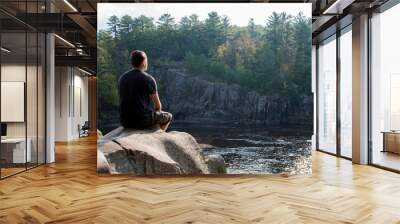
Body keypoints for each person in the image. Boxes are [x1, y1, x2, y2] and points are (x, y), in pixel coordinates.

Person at [118, 50, 172, 131]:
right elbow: (158, 106)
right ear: (143, 62)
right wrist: (156, 114)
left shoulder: (122, 78)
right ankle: (159, 136)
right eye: (146, 60)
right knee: (168, 116)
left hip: (125, 121)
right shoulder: (148, 79)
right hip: (142, 120)